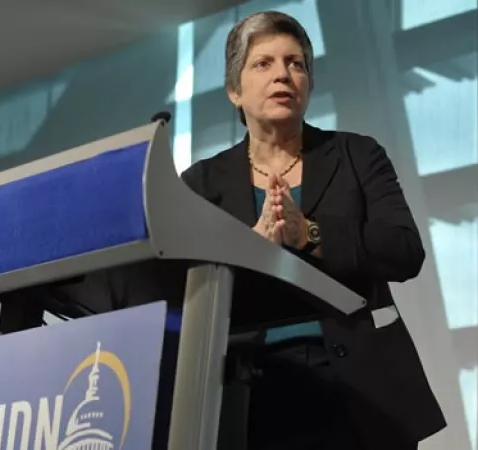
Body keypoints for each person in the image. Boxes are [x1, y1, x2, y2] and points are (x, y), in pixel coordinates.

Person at [179, 10, 447, 450]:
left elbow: (403, 250)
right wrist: (252, 253)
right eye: (263, 63)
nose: (283, 74)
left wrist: (310, 234)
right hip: (248, 387)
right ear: (234, 90)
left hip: (359, 392)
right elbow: (187, 293)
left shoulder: (358, 155)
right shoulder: (201, 183)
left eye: (296, 63)